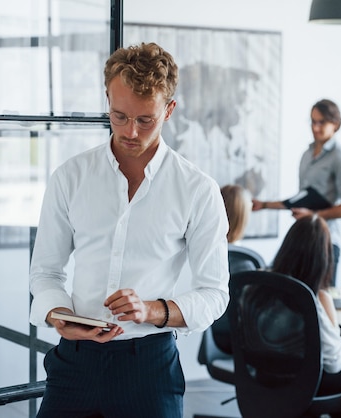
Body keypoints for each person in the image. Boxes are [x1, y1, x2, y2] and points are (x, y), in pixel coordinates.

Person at [29, 42, 230, 418]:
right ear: (108, 98)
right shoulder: (70, 177)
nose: (131, 132)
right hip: (73, 365)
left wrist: (152, 310)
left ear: (169, 110)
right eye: (119, 116)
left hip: (149, 369)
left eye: (145, 120)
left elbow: (215, 294)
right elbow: (45, 271)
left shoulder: (197, 189)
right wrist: (57, 312)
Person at [253, 99, 341, 285]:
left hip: (326, 241)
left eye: (321, 122)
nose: (315, 127)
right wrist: (265, 205)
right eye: (312, 121)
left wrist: (313, 215)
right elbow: (301, 198)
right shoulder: (306, 155)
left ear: (335, 124)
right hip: (303, 239)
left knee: (322, 296)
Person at [271, 215, 341, 397]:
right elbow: (334, 360)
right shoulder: (319, 298)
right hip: (312, 381)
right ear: (324, 257)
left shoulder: (264, 287)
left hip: (269, 375)